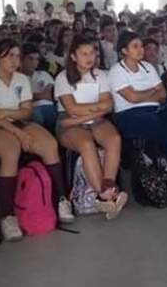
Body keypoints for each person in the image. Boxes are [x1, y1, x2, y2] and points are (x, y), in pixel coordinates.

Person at [0, 39, 74, 241]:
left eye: (17, 55)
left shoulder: (21, 79)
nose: (14, 60)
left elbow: (27, 111)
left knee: (49, 145)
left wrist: (6, 113)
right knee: (10, 151)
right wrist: (18, 131)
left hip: (19, 123)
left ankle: (62, 200)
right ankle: (7, 216)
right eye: (9, 55)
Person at [55, 35, 129, 217]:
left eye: (92, 53)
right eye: (84, 53)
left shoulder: (100, 75)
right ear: (73, 56)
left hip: (95, 120)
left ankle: (108, 186)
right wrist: (96, 109)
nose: (89, 57)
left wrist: (89, 112)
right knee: (87, 144)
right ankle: (104, 196)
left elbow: (107, 103)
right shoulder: (63, 78)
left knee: (114, 139)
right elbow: (71, 108)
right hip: (70, 124)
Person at [107, 31, 167, 180]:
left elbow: (163, 94)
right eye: (135, 46)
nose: (141, 50)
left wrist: (144, 94)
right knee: (155, 122)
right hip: (128, 115)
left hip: (155, 109)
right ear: (124, 51)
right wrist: (152, 90)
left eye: (141, 46)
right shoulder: (116, 71)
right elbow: (132, 98)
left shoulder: (147, 67)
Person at [20, 43, 57, 133]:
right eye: (30, 58)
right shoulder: (17, 78)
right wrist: (40, 95)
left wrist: (31, 96)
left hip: (50, 107)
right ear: (21, 60)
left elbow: (50, 95)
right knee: (35, 115)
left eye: (37, 59)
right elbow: (18, 98)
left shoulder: (44, 74)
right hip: (30, 110)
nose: (34, 62)